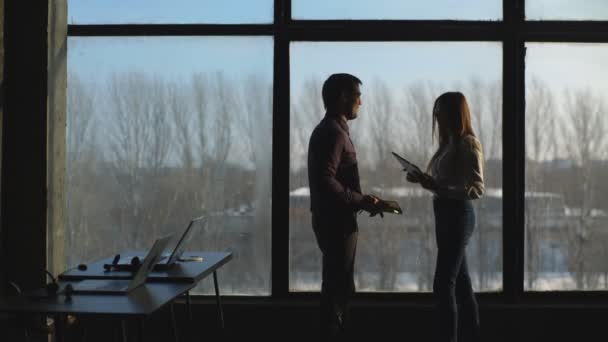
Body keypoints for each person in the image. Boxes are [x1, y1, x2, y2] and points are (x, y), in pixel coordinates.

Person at [307, 73, 383, 340]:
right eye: (357, 96)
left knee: (338, 288)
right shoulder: (333, 133)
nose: (360, 102)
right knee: (337, 291)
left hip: (333, 220)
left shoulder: (330, 130)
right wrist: (360, 200)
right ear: (342, 97)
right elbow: (325, 179)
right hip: (337, 223)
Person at [406, 91, 484, 342]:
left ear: (454, 113)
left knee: (442, 284)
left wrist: (440, 187)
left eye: (440, 110)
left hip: (459, 216)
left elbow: (477, 188)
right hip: (445, 215)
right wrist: (425, 180)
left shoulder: (468, 143)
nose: (436, 116)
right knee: (461, 286)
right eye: (436, 111)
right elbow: (445, 182)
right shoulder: (448, 144)